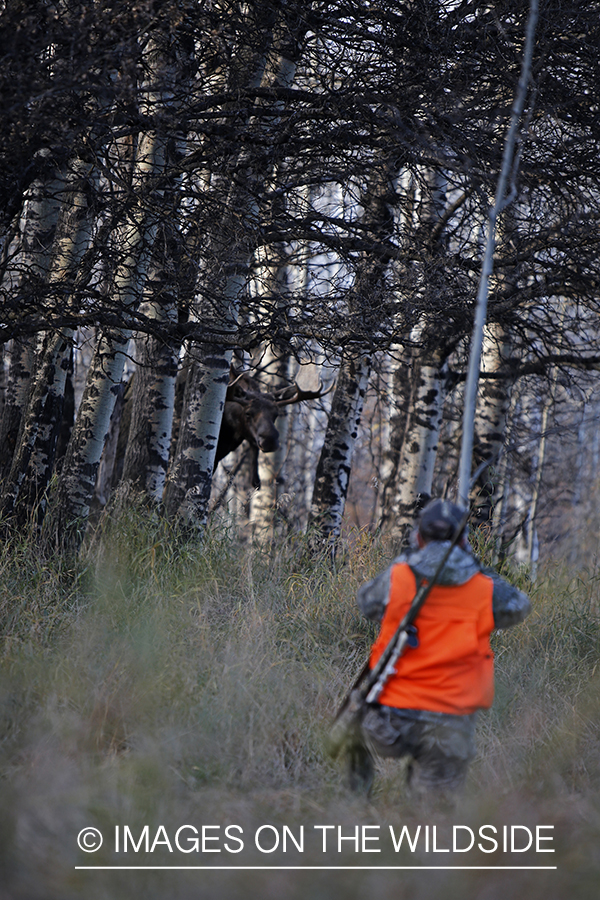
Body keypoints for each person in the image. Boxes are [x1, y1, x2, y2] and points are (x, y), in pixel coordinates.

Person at [350, 498, 531, 797]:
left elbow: (367, 602)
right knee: (436, 812)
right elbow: (519, 607)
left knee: (349, 728)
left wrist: (408, 560)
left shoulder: (399, 576)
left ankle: (355, 804)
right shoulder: (484, 586)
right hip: (450, 722)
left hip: (393, 718)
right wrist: (477, 567)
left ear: (418, 536)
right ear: (463, 541)